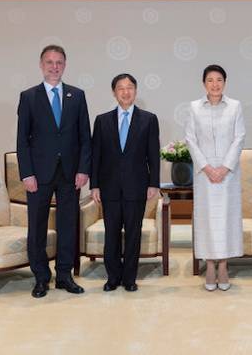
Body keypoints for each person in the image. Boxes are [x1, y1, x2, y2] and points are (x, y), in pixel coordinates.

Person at [17, 44, 92, 298]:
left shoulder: (77, 95)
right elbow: (22, 140)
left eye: (59, 62)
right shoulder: (29, 97)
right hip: (38, 175)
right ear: (41, 65)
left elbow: (85, 138)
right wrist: (26, 173)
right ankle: (40, 277)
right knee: (37, 226)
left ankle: (64, 275)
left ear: (65, 65)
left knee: (68, 225)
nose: (54, 66)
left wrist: (84, 169)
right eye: (49, 62)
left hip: (70, 174)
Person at [90, 73, 160, 292]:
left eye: (130, 87)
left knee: (133, 233)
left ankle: (129, 278)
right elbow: (96, 156)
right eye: (121, 88)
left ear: (135, 91)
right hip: (109, 187)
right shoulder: (102, 120)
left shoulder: (148, 119)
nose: (125, 92)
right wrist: (94, 185)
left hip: (136, 187)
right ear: (114, 92)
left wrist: (153, 183)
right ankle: (113, 277)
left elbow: (153, 155)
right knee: (111, 234)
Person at [185, 64, 245, 291]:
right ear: (204, 83)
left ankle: (224, 266)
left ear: (225, 82)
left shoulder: (235, 107)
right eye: (210, 80)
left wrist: (224, 168)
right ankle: (210, 265)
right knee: (207, 219)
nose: (215, 84)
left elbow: (239, 137)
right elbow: (191, 139)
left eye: (219, 80)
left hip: (228, 174)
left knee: (226, 219)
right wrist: (208, 168)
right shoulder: (194, 107)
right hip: (204, 174)